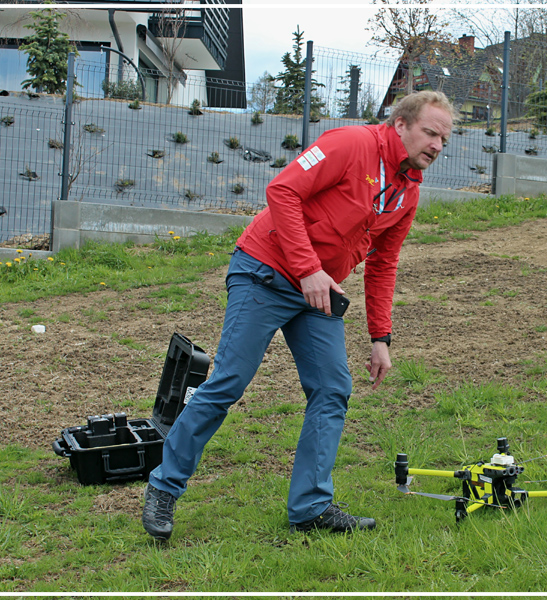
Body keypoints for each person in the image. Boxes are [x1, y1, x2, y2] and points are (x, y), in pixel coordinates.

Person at [142, 90, 455, 540]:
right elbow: (282, 190)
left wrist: (380, 337)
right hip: (264, 272)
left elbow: (383, 264)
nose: (438, 146)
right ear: (401, 124)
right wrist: (308, 268)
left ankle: (311, 506)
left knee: (332, 388)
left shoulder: (406, 193)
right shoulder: (351, 144)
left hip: (318, 292)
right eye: (431, 132)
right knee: (229, 380)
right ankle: (163, 487)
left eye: (444, 139)